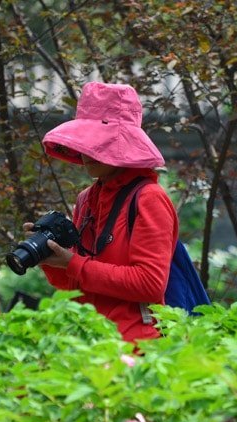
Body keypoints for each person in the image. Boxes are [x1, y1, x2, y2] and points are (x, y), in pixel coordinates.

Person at [23, 81, 179, 343]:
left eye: (100, 142)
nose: (87, 151)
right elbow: (74, 285)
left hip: (136, 349)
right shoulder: (86, 199)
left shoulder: (150, 199)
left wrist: (72, 263)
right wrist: (50, 260)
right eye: (86, 141)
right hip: (87, 343)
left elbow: (150, 284)